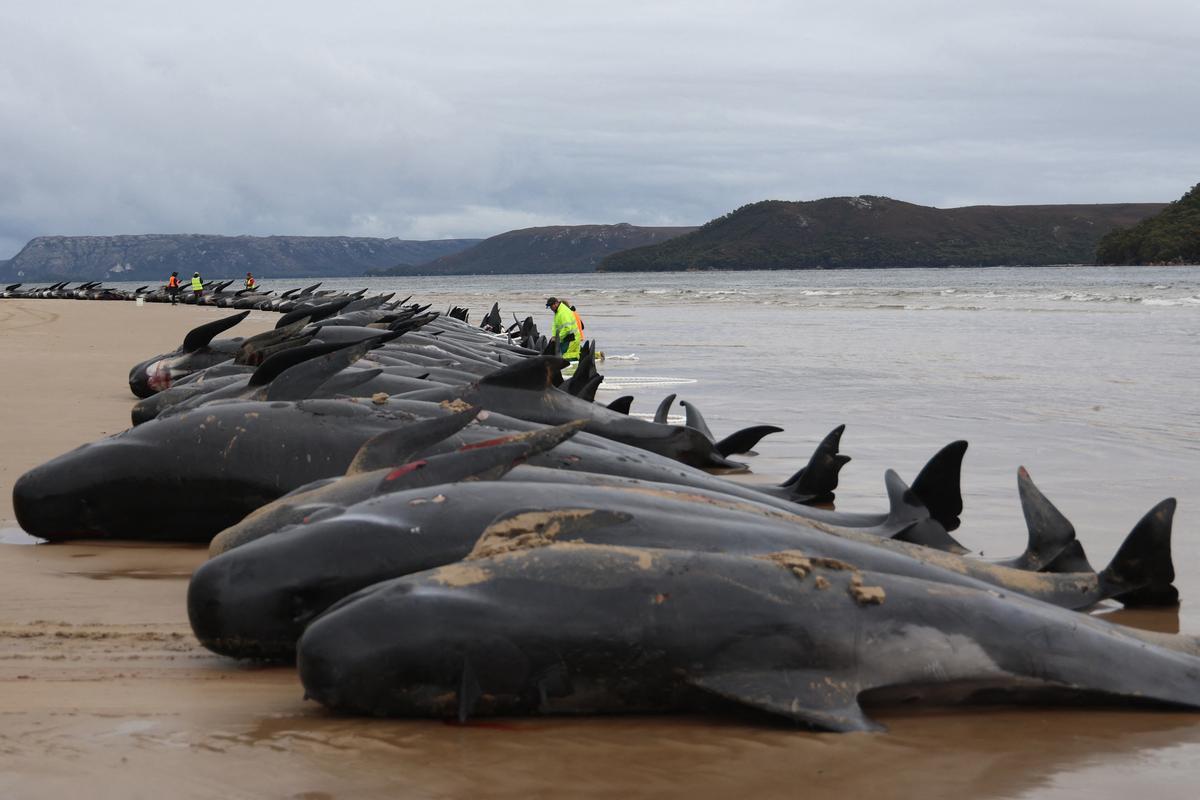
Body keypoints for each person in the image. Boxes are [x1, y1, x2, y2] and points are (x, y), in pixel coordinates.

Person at [545, 296, 580, 361]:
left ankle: (586, 358)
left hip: (572, 338)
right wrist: (554, 336)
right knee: (574, 352)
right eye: (549, 307)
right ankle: (597, 355)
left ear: (556, 303)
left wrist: (558, 337)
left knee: (564, 357)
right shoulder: (557, 312)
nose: (551, 308)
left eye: (551, 306)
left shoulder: (563, 312)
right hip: (565, 338)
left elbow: (567, 328)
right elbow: (555, 326)